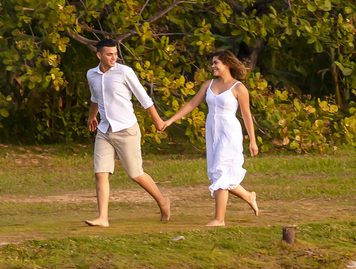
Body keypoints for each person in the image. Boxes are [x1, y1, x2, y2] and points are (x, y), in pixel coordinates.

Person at [159, 50, 260, 226]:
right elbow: (192, 103)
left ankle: (219, 220)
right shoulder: (208, 84)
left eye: (216, 63)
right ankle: (248, 195)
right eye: (212, 63)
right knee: (217, 173)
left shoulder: (238, 88)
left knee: (221, 171)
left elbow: (246, 115)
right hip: (213, 133)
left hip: (229, 133)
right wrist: (170, 121)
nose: (212, 66)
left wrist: (252, 140)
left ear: (226, 64)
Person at [85, 38, 171, 227]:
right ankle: (103, 218)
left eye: (115, 54)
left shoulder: (125, 72)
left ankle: (163, 201)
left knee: (135, 173)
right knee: (101, 173)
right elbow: (94, 97)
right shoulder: (91, 74)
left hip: (126, 129)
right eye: (109, 54)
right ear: (99, 55)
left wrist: (157, 120)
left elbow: (143, 97)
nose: (114, 57)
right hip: (104, 130)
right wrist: (92, 117)